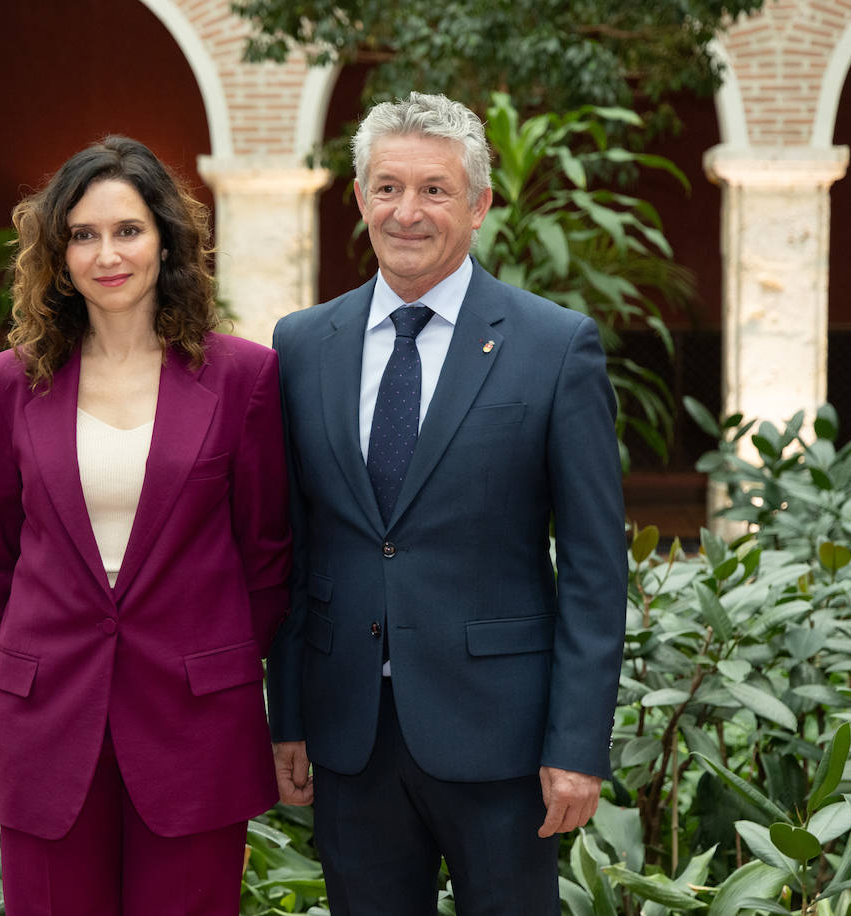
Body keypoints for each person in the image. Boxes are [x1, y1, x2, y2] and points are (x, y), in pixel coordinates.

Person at [266, 92, 627, 914]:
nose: (408, 211)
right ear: (359, 200)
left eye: (435, 189)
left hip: (501, 739)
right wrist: (287, 716)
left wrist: (577, 745)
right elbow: (291, 546)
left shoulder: (554, 345)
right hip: (350, 736)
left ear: (480, 204)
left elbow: (595, 570)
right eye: (387, 188)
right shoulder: (300, 345)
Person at [0, 135, 291, 916]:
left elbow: (267, 558)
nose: (107, 254)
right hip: (44, 722)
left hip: (195, 726)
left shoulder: (243, 377)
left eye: (128, 230)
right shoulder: (10, 382)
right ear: (58, 252)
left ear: (167, 241)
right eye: (83, 234)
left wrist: (232, 671)